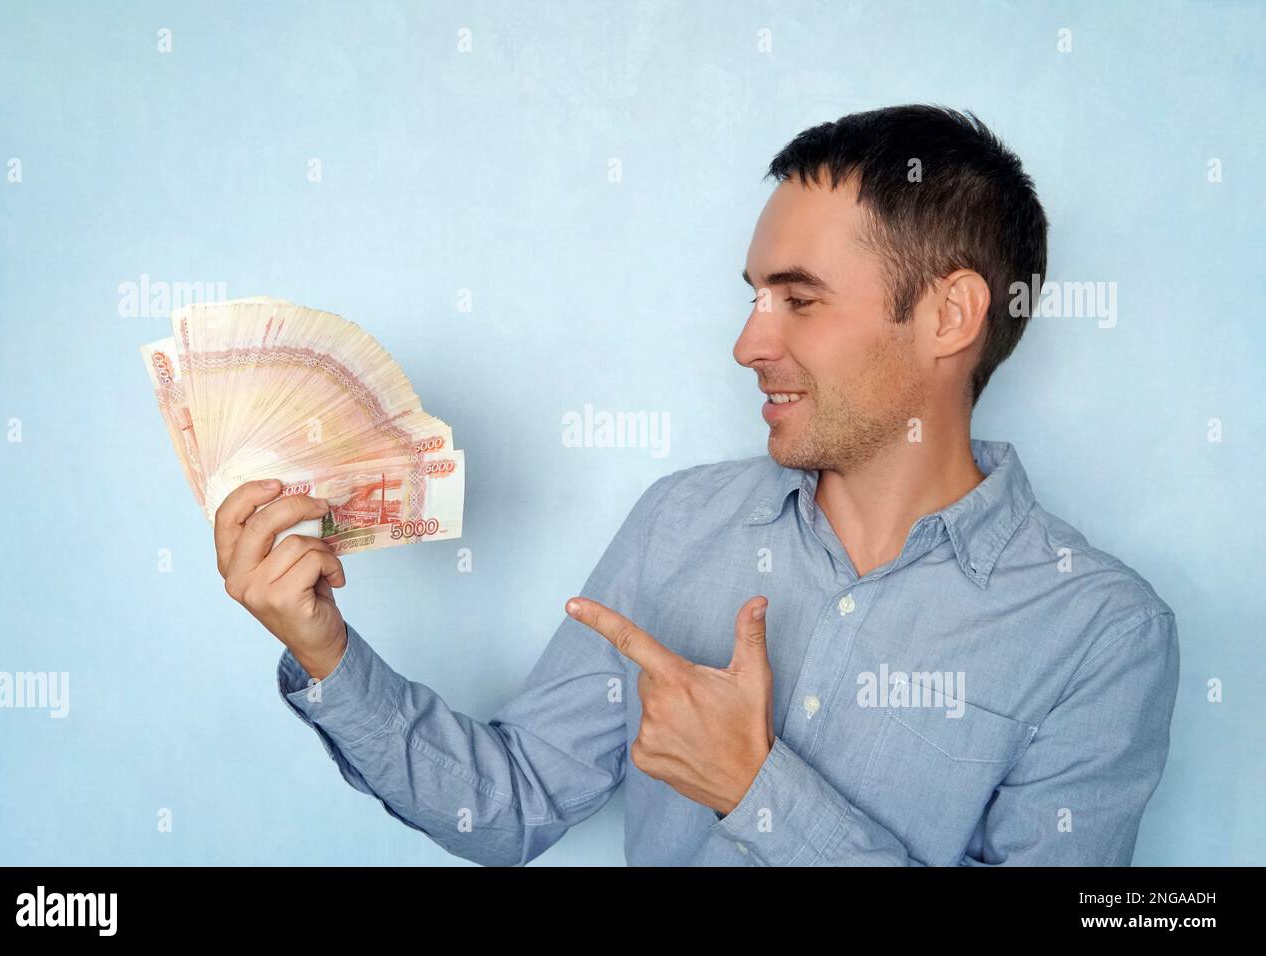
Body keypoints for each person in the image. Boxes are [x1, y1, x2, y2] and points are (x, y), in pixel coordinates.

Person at [214, 105, 1179, 866]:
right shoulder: (680, 524)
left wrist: (756, 791)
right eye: (754, 297)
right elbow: (505, 810)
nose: (749, 344)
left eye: (798, 299)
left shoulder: (1101, 633)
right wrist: (326, 651)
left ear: (950, 315)